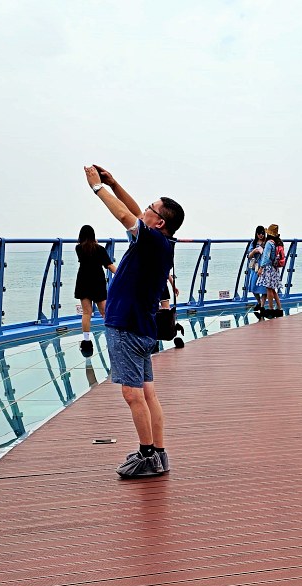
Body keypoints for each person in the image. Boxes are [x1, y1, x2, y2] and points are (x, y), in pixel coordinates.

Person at [83, 164, 185, 478]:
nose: (144, 210)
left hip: (126, 325)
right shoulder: (159, 243)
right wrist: (114, 183)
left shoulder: (152, 241)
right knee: (147, 393)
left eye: (151, 209)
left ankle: (147, 455)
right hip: (140, 326)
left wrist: (98, 189)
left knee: (132, 394)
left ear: (160, 221)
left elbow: (127, 217)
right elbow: (135, 212)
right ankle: (158, 453)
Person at [75, 224, 116, 357]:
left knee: (87, 313)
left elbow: (84, 247)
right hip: (97, 281)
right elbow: (109, 265)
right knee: (105, 311)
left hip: (83, 281)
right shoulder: (99, 249)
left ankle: (86, 342)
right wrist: (121, 275)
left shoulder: (79, 248)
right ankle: (112, 336)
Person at [255, 224, 285, 318]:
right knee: (273, 289)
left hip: (268, 268)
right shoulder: (278, 242)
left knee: (269, 289)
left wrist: (261, 267)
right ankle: (279, 309)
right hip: (275, 268)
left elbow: (266, 257)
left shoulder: (269, 243)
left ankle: (271, 310)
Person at [244, 224, 266, 311]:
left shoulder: (266, 243)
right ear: (256, 234)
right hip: (255, 266)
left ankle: (262, 306)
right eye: (259, 233)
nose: (261, 235)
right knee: (253, 287)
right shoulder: (253, 243)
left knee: (264, 289)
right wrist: (255, 250)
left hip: (264, 267)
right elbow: (249, 256)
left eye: (262, 233)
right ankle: (259, 302)